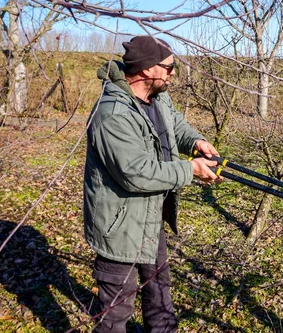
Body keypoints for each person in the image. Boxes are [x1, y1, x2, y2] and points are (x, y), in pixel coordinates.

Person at [83, 35, 221, 332]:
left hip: (149, 217)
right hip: (118, 228)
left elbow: (175, 124)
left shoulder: (158, 96)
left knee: (159, 290)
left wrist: (195, 140)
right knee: (116, 312)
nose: (173, 74)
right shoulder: (112, 114)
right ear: (147, 70)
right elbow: (137, 173)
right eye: (169, 68)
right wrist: (190, 170)